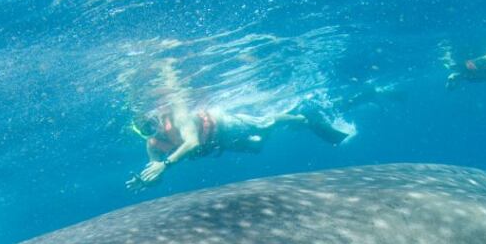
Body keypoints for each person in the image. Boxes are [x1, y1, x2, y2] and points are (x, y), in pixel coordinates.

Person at [126, 61, 351, 188]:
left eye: (150, 123)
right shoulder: (153, 145)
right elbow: (154, 173)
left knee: (264, 123)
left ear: (155, 116)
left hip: (225, 125)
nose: (151, 130)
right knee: (257, 147)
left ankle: (300, 118)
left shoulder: (177, 116)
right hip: (218, 143)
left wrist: (165, 164)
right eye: (144, 129)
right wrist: (146, 182)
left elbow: (193, 142)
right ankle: (291, 120)